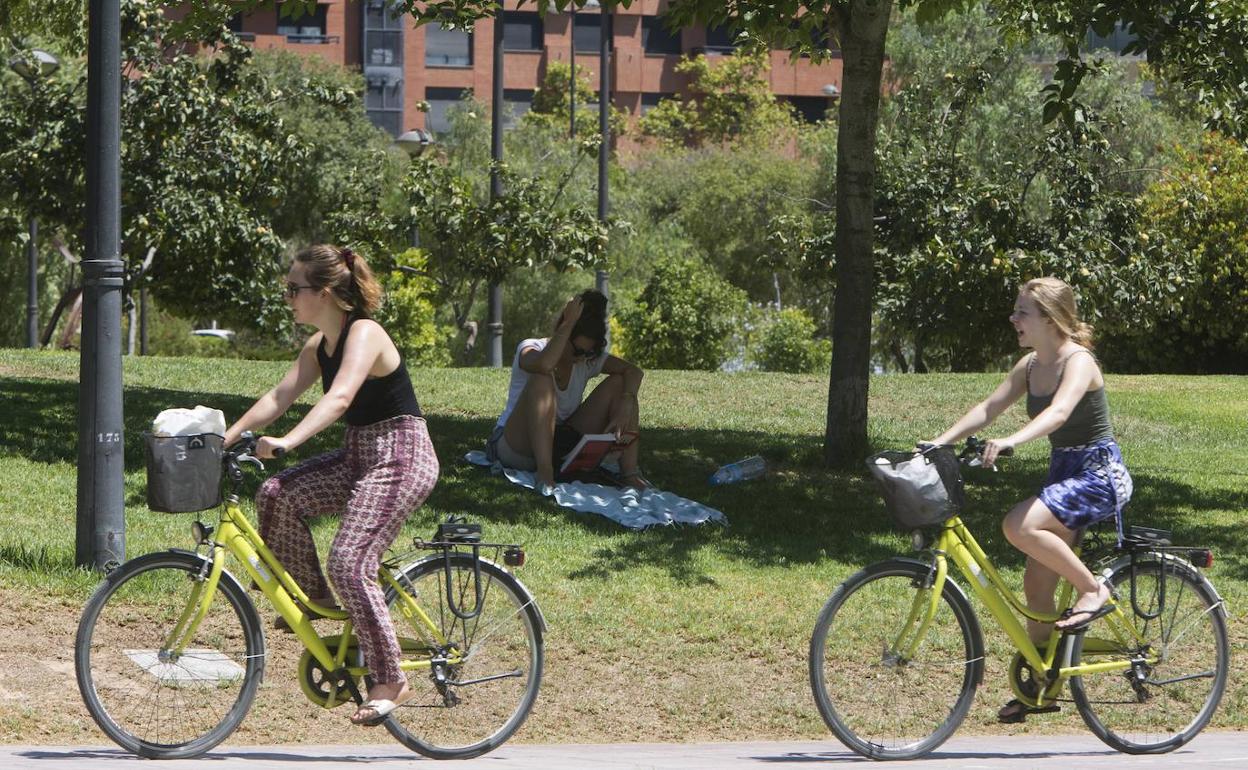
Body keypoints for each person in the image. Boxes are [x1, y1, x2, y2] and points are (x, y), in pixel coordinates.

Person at [222, 244, 438, 727]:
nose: (288, 298)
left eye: (294, 289)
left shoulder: (365, 333)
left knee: (350, 560)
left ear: (323, 292)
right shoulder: (319, 345)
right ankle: (317, 601)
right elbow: (278, 396)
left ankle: (390, 678)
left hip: (402, 456)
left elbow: (340, 397)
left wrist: (288, 442)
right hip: (360, 455)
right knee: (276, 495)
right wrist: (225, 438)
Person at [925, 276, 1132, 723]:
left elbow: (1059, 413)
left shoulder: (1079, 361)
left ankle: (1093, 590)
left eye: (1023, 312)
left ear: (1051, 319)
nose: (1013, 318)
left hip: (1099, 475)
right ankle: (1044, 686)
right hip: (1065, 474)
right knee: (1037, 590)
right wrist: (938, 443)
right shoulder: (1030, 365)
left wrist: (1011, 441)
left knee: (1018, 525)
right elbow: (988, 408)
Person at [487, 289, 647, 491]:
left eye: (589, 353)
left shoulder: (586, 361)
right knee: (542, 378)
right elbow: (544, 365)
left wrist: (626, 402)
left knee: (621, 383)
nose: (582, 358)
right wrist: (568, 323)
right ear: (564, 334)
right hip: (517, 446)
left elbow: (633, 372)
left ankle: (629, 473)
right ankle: (545, 473)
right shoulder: (531, 347)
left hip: (559, 443)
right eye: (578, 351)